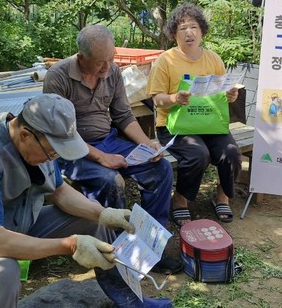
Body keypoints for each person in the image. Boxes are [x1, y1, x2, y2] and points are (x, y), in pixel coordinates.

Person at [0, 93, 172, 308]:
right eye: (51, 152)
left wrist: (103, 214)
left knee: (95, 221)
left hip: (15, 223)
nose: (53, 158)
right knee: (3, 273)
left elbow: (60, 192)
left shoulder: (38, 139)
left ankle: (129, 300)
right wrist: (71, 245)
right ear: (25, 135)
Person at [43, 24, 183, 274]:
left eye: (111, 59)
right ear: (81, 57)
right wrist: (101, 157)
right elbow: (60, 133)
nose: (107, 68)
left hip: (108, 140)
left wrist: (146, 144)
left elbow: (123, 116)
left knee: (160, 168)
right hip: (71, 150)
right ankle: (116, 251)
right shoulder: (58, 76)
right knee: (109, 180)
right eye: (100, 63)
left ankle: (148, 246)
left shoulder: (113, 71)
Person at [147, 3, 242, 227]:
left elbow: (223, 92)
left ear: (202, 32)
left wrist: (231, 95)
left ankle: (222, 195)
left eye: (194, 27)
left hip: (210, 123)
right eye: (182, 28)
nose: (189, 33)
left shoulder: (214, 59)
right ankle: (180, 199)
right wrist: (174, 98)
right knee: (198, 154)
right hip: (174, 126)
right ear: (174, 34)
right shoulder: (165, 61)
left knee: (231, 152)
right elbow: (156, 100)